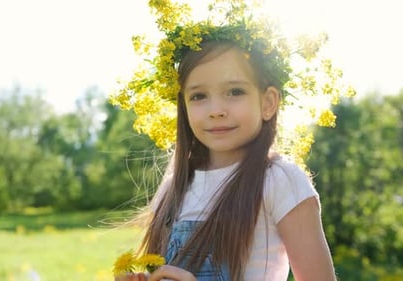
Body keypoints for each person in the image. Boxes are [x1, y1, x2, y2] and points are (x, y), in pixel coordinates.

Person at [112, 2, 340, 281]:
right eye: (198, 96)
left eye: (234, 91)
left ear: (268, 102)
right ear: (182, 106)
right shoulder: (174, 187)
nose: (215, 109)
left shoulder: (280, 180)